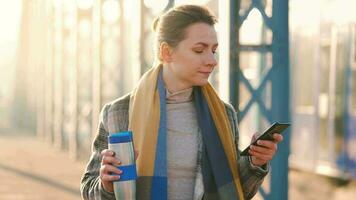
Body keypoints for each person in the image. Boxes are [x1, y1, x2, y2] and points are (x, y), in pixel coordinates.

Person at [80, 4, 283, 200]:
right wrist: (106, 184)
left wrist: (256, 162)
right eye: (199, 50)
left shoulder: (223, 114)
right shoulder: (118, 113)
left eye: (213, 50)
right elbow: (89, 189)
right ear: (166, 52)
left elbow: (236, 192)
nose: (212, 60)